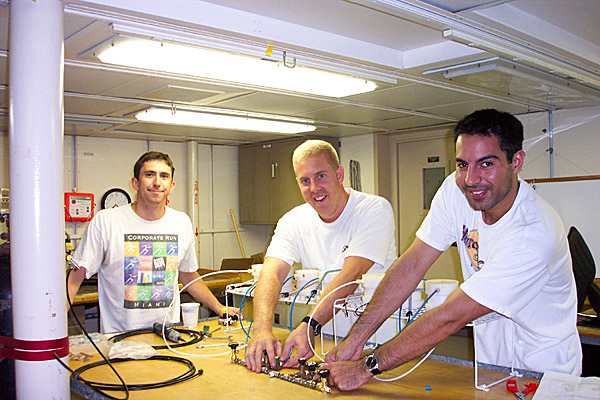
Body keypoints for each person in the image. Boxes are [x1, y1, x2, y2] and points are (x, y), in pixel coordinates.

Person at [324, 109, 582, 391]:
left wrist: (365, 368)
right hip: (490, 370)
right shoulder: (456, 190)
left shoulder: (533, 235)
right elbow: (412, 263)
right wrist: (356, 339)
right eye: (462, 165)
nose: (471, 179)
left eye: (486, 164)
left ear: (516, 161)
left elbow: (450, 317)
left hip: (545, 376)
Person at [245, 139, 397, 373]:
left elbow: (351, 274)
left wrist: (308, 325)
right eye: (305, 180)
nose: (314, 188)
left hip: (375, 342)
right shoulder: (293, 220)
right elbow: (272, 271)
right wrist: (262, 328)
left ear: (339, 174)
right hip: (322, 338)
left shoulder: (373, 210)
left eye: (321, 176)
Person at [67, 151, 238, 333]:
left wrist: (219, 308)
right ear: (135, 183)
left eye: (164, 176)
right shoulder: (107, 221)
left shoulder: (181, 222)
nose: (157, 182)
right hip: (119, 338)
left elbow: (188, 275)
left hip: (167, 334)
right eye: (149, 175)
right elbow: (76, 277)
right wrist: (53, 327)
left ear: (171, 186)